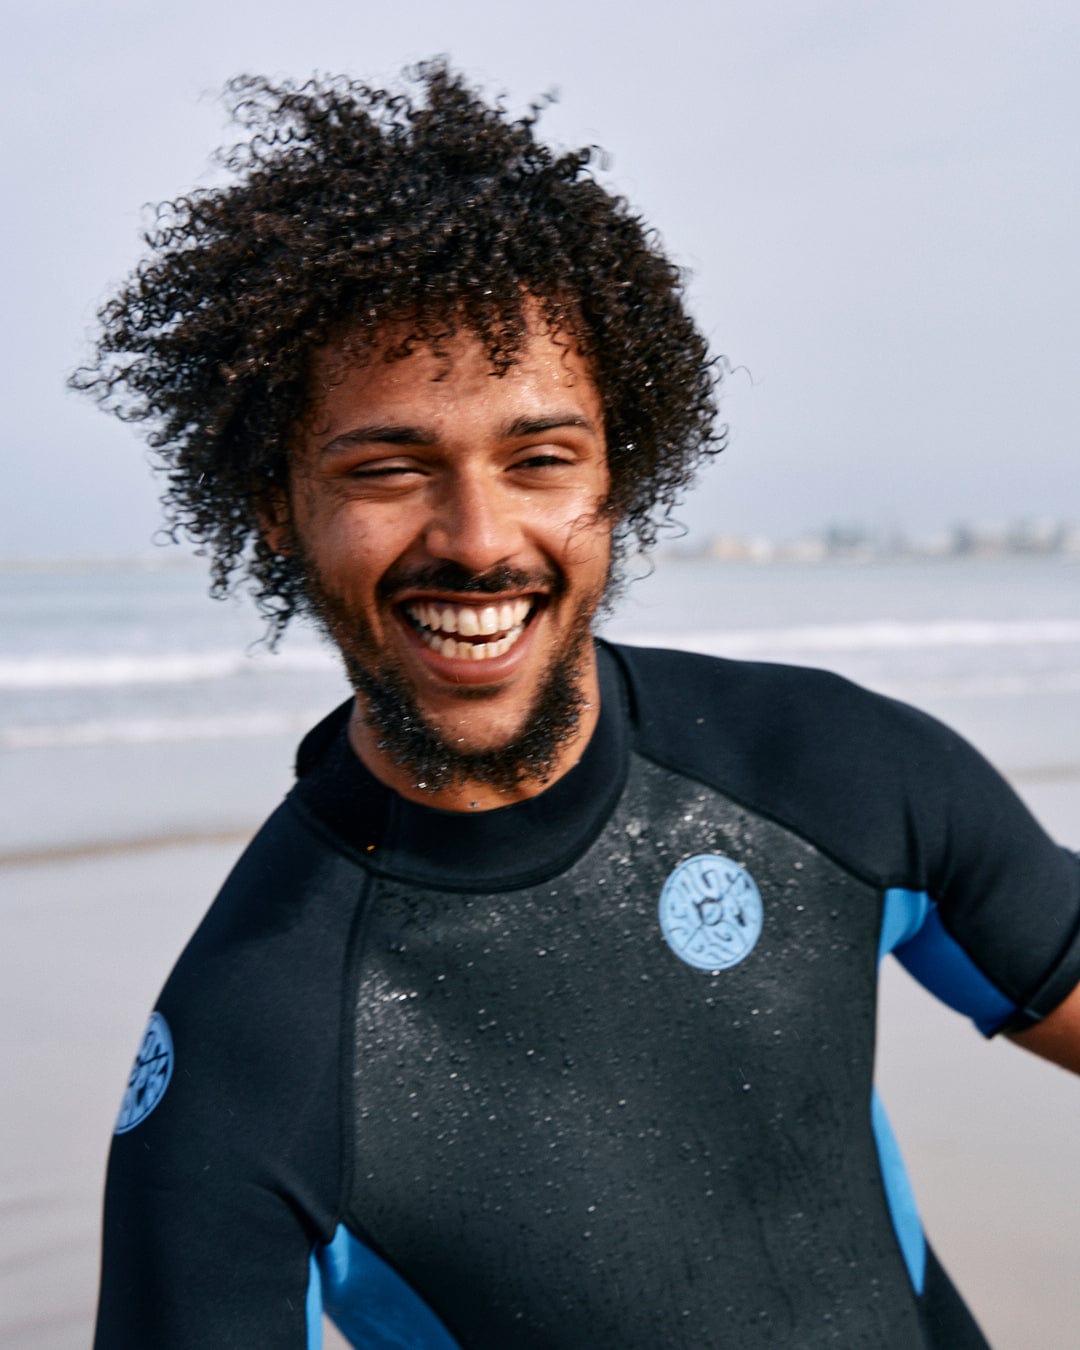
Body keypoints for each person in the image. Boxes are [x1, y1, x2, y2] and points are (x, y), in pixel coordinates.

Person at [76, 63, 1080, 1349]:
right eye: (390, 467)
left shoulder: (830, 774)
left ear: (620, 471)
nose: (478, 539)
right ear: (279, 506)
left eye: (540, 459)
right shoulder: (251, 1057)